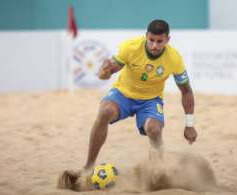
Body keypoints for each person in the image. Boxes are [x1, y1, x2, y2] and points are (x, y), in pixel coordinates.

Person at [64, 19, 197, 179]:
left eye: (159, 41)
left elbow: (186, 91)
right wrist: (104, 71)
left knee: (154, 129)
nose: (154, 45)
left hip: (151, 100)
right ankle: (88, 167)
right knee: (105, 111)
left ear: (167, 40)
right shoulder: (131, 47)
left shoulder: (174, 58)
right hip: (123, 94)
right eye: (151, 40)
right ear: (146, 36)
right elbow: (104, 73)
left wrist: (189, 124)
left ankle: (159, 167)